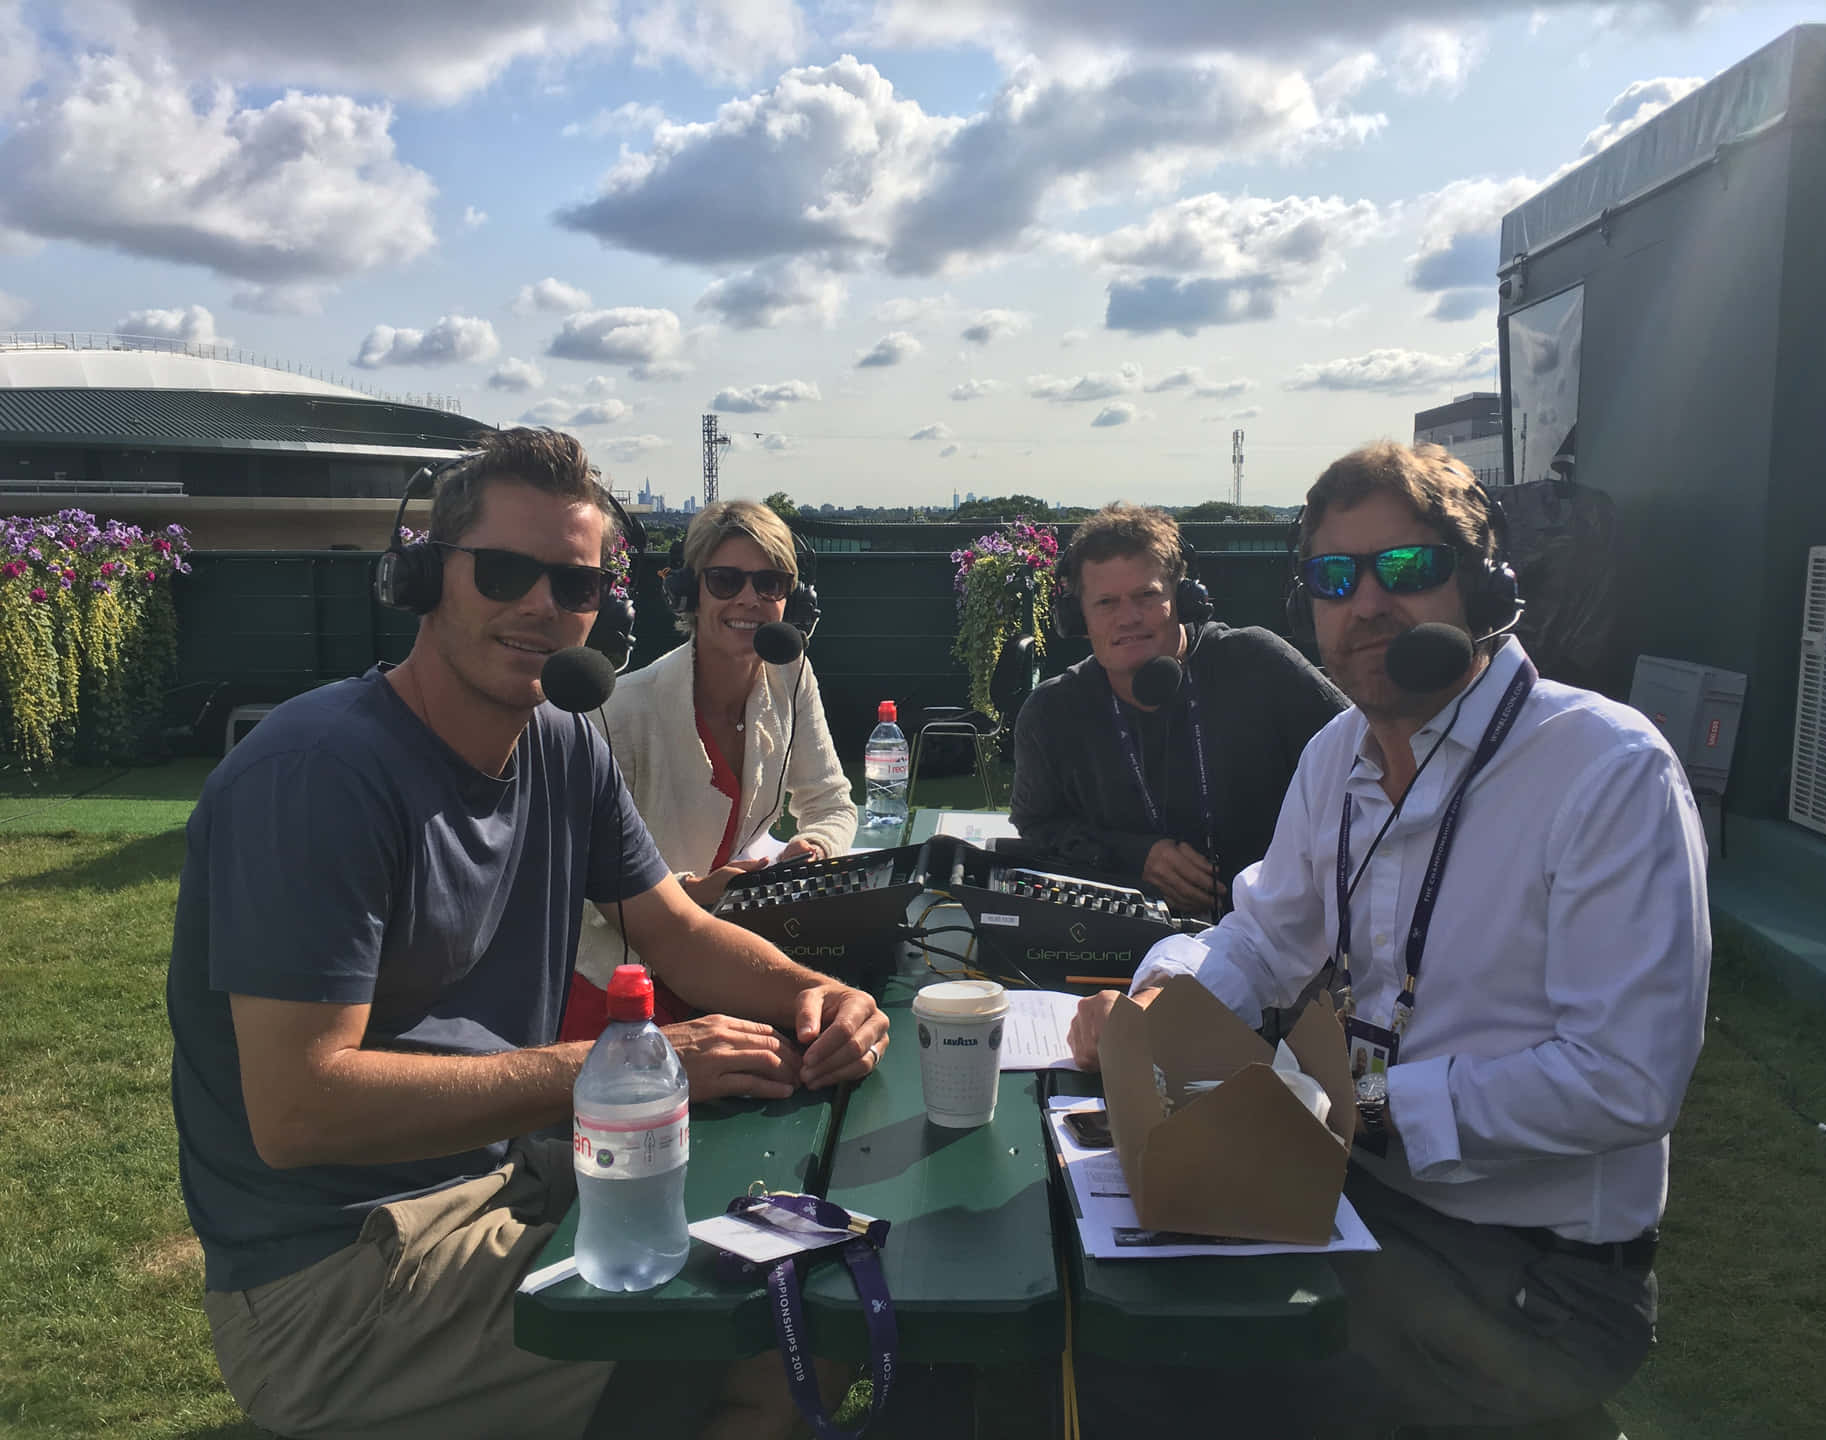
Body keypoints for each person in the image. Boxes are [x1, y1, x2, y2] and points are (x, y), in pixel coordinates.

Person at [166, 428, 889, 1440]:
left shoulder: (562, 745)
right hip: (333, 1282)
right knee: (780, 1324)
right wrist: (628, 1064)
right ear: (421, 577)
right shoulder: (316, 776)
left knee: (819, 1268)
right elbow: (300, 1109)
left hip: (503, 1180)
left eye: (574, 584)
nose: (542, 605)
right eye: (504, 571)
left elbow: (676, 932)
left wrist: (813, 992)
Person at [1066, 442, 1711, 1436]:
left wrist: (1359, 1109)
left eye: (1404, 569)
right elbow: (1261, 939)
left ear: (1487, 589)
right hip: (1352, 1207)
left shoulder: (1608, 770)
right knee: (1100, 1325)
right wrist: (1163, 1001)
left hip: (1536, 1279)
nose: (1366, 603)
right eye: (1335, 577)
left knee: (1175, 1384)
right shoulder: (1337, 758)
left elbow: (1627, 1076)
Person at [564, 499, 858, 1040]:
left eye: (770, 583)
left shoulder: (791, 676)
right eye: (725, 580)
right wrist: (691, 892)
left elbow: (831, 801)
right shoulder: (622, 712)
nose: (750, 598)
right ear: (688, 593)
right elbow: (576, 894)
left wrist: (815, 850)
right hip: (622, 979)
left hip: (727, 954)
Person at [1010, 502, 1346, 916]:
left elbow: (1358, 758)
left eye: (1146, 596)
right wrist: (1134, 856)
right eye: (1105, 603)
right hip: (1123, 947)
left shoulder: (1258, 662)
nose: (1128, 617)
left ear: (1184, 598)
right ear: (1076, 617)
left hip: (1282, 937)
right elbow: (1036, 827)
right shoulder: (1050, 714)